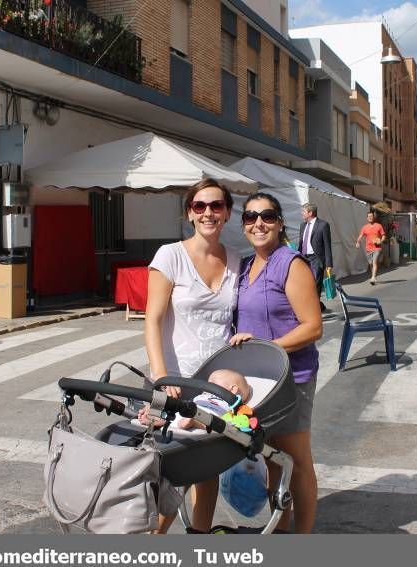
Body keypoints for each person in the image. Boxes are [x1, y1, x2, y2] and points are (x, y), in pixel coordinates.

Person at [145, 178, 240, 533]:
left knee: (207, 467)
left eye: (216, 206)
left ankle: (199, 537)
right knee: (171, 474)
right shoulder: (169, 256)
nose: (208, 213)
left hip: (215, 384)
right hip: (173, 381)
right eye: (200, 207)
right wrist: (159, 375)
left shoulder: (235, 260)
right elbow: (152, 321)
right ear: (189, 213)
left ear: (228, 212)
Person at [231, 192, 323, 534]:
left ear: (280, 223)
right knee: (272, 460)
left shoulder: (290, 262)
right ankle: (281, 530)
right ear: (243, 226)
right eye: (251, 217)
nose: (259, 223)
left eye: (267, 216)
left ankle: (302, 536)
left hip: (291, 377)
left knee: (297, 461)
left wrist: (265, 346)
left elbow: (313, 326)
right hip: (258, 380)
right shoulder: (245, 266)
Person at [138, 369, 252, 430]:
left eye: (213, 382)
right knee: (177, 408)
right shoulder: (205, 395)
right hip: (189, 409)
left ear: (233, 389)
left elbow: (239, 420)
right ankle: (161, 418)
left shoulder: (233, 402)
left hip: (213, 416)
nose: (208, 385)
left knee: (223, 424)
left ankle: (195, 423)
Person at [298, 203, 333, 311]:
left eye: (303, 211)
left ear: (310, 213)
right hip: (304, 258)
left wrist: (328, 264)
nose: (301, 213)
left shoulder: (323, 225)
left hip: (316, 259)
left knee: (315, 285)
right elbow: (301, 242)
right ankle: (318, 306)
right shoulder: (303, 225)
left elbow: (327, 245)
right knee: (304, 285)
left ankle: (314, 310)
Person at [355, 211, 386, 285]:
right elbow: (360, 236)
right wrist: (357, 242)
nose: (370, 218)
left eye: (371, 216)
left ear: (374, 217)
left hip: (377, 248)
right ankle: (373, 276)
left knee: (374, 262)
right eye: (369, 217)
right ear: (367, 218)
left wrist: (380, 241)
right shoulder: (364, 227)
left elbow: (384, 236)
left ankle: (373, 277)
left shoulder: (378, 226)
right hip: (368, 248)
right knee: (371, 263)